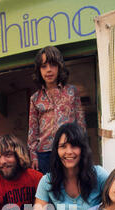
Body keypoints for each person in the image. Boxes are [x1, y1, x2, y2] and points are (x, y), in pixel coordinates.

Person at [28, 46, 86, 174]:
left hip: (69, 149)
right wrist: (34, 156)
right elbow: (33, 130)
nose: (48, 70)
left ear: (59, 67)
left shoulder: (72, 92)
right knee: (50, 188)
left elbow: (81, 124)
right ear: (39, 70)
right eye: (44, 66)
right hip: (45, 153)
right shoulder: (35, 98)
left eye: (53, 65)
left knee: (70, 184)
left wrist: (82, 149)